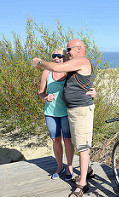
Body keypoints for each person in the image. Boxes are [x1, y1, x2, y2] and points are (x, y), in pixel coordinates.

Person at [32, 39, 95, 197]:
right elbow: (83, 82)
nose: (66, 53)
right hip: (71, 111)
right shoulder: (74, 65)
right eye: (63, 51)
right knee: (73, 141)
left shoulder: (80, 61)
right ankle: (86, 170)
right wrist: (92, 91)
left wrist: (39, 62)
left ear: (79, 49)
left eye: (68, 50)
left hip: (79, 111)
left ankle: (81, 184)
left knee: (80, 145)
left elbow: (56, 67)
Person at [38, 48, 74, 180]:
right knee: (55, 140)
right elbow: (41, 92)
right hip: (50, 113)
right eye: (54, 56)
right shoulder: (46, 72)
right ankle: (60, 167)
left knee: (68, 140)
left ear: (65, 58)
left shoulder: (69, 72)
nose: (56, 58)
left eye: (60, 56)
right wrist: (45, 97)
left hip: (66, 112)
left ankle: (69, 167)